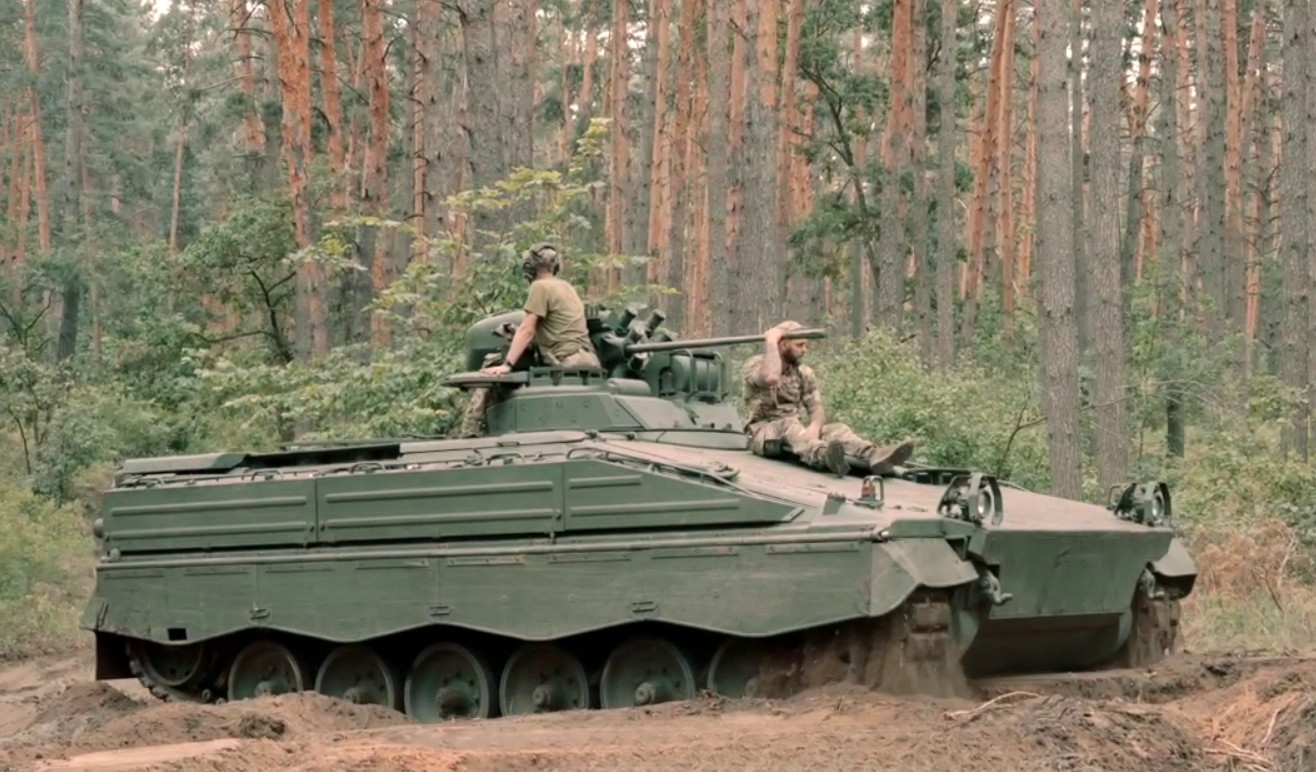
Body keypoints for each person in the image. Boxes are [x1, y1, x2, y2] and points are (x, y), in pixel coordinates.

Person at [456, 243, 601, 437]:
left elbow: (527, 328)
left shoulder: (540, 287)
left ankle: (472, 430)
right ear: (556, 265)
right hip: (588, 360)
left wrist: (507, 364)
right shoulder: (567, 287)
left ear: (529, 268)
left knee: (491, 370)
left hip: (565, 361)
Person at [742, 320, 914, 477]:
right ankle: (824, 456)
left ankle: (874, 456)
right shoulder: (757, 366)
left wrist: (815, 426)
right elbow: (770, 378)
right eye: (800, 345)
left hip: (796, 432)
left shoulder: (804, 373)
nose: (805, 350)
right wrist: (771, 340)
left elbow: (816, 408)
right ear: (783, 344)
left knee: (837, 429)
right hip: (762, 434)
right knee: (789, 425)